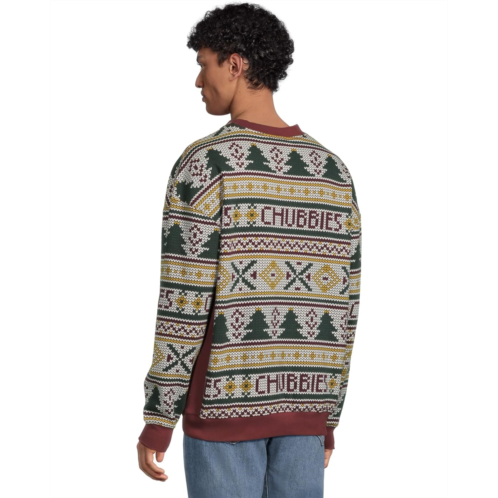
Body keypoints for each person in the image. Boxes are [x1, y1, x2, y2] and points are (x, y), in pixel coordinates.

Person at [136, 3, 362, 497]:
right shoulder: (333, 172)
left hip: (223, 413)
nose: (199, 81)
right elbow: (346, 306)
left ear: (235, 65)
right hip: (306, 411)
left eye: (204, 64)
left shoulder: (206, 165)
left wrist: (159, 416)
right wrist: (327, 416)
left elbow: (183, 300)